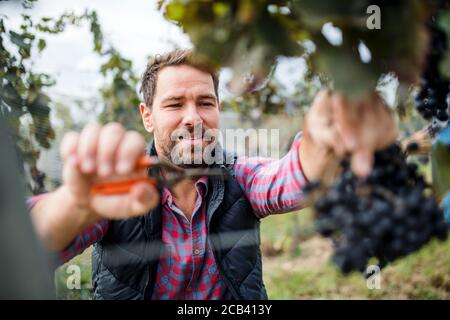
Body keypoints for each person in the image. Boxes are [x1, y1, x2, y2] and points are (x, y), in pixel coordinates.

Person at [30, 49, 397, 299]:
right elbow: (26, 243)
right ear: (147, 115)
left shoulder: (240, 176)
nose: (193, 118)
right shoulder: (119, 190)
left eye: (206, 103)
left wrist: (322, 141)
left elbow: (294, 177)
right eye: (174, 104)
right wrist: (77, 203)